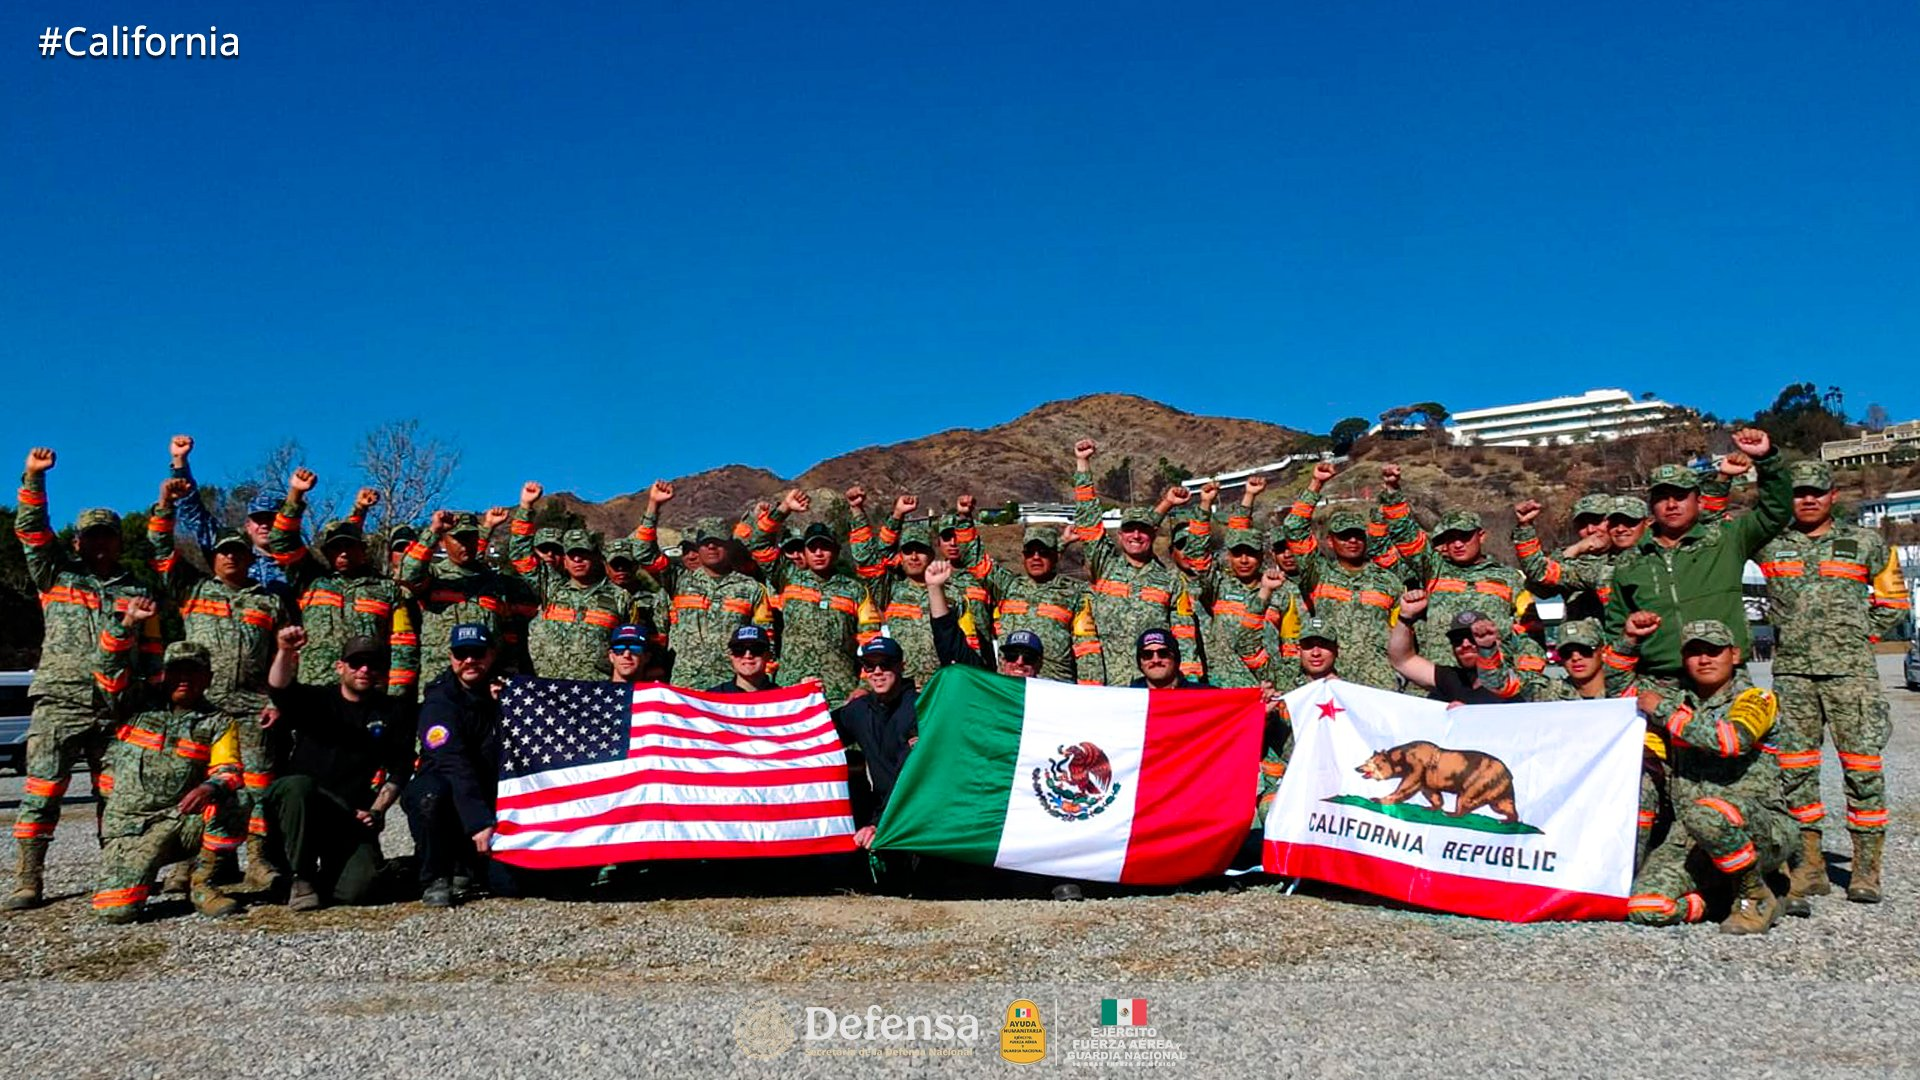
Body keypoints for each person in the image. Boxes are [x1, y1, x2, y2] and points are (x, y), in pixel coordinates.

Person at [7, 447, 169, 910]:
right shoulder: (55, 573)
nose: (99, 545)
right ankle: (28, 878)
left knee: (117, 798)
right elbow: (31, 532)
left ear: (119, 541)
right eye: (90, 537)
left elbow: (152, 650)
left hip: (118, 705)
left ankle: (115, 872)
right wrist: (35, 479)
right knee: (42, 793)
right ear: (77, 541)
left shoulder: (137, 590)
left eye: (108, 537)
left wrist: (152, 692)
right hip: (60, 701)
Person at [1758, 460, 1912, 905]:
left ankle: (1866, 871)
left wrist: (1859, 635)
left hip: (1853, 676)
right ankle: (1809, 868)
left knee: (1863, 771)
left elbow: (1894, 600)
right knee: (1795, 772)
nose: (1807, 499)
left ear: (1832, 497)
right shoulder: (1771, 544)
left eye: (1816, 492)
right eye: (1799, 492)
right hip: (1792, 676)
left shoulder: (1866, 542)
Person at [151, 485, 296, 888]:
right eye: (224, 551)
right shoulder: (192, 589)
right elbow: (161, 547)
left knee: (257, 786)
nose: (232, 556)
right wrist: (165, 504)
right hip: (203, 707)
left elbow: (284, 656)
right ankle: (190, 862)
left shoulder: (269, 601)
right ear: (213, 558)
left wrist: (278, 700)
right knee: (196, 784)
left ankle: (260, 861)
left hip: (252, 707)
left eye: (239, 551)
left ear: (251, 557)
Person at [1618, 620, 1796, 935]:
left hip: (1760, 829)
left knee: (1708, 813)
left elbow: (1732, 740)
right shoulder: (1676, 698)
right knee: (1647, 908)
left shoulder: (1757, 699)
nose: (1704, 660)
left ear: (1735, 655)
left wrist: (1668, 714)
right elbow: (1617, 686)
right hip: (1690, 837)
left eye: (1714, 651)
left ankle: (1753, 894)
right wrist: (1629, 640)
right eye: (1695, 652)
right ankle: (1723, 899)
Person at [90, 601, 243, 923]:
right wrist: (127, 624)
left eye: (194, 671)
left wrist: (209, 786)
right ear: (164, 673)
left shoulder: (218, 721)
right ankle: (136, 878)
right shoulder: (135, 703)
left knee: (236, 800)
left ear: (208, 677)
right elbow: (108, 672)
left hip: (177, 822)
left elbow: (228, 770)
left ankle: (202, 884)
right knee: (117, 913)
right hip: (129, 828)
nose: (184, 678)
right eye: (177, 670)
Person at [1602, 427, 1791, 681]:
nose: (1671, 505)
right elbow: (1616, 629)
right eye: (1662, 498)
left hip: (1725, 680)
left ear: (1699, 502)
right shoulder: (1629, 562)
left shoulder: (1727, 538)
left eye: (1680, 496)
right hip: (1659, 684)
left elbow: (1775, 511)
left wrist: (1766, 459)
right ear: (1651, 507)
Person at [264, 628, 412, 910]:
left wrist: (377, 811)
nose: (364, 670)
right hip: (302, 807)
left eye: (374, 664)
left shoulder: (392, 711)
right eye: (356, 663)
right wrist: (284, 650)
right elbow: (279, 688)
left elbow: (400, 768)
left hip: (349, 814)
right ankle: (301, 877)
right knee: (298, 786)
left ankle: (323, 877)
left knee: (359, 891)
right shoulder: (316, 700)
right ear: (340, 667)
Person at [266, 468, 414, 702]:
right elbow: (281, 541)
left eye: (350, 546)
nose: (343, 553)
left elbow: (402, 645)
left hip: (370, 696)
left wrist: (396, 698)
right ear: (326, 552)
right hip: (315, 692)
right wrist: (295, 494)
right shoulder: (310, 580)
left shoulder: (387, 590)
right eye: (336, 547)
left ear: (363, 551)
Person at [1069, 440, 1203, 684]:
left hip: (1156, 691)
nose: (1136, 536)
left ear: (1153, 534)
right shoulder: (1105, 566)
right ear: (1120, 536)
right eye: (1129, 530)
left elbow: (1184, 636)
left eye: (1142, 530)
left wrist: (1189, 689)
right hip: (1112, 689)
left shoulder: (1170, 580)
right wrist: (1083, 463)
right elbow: (1088, 518)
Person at [1276, 462, 1413, 690]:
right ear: (1330, 541)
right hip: (1331, 684)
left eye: (1357, 536)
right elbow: (1294, 526)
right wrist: (1316, 483)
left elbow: (1406, 636)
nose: (1352, 541)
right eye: (1344, 536)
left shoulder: (1388, 581)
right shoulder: (1318, 573)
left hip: (1379, 684)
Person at [629, 481, 774, 691]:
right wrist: (654, 505)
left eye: (718, 542)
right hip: (686, 687)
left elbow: (766, 639)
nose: (712, 546)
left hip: (734, 687)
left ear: (729, 546)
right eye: (706, 543)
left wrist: (763, 685)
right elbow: (643, 552)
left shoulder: (750, 588)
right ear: (698, 548)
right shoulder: (679, 580)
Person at [403, 623, 508, 909]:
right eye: (462, 654)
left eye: (478, 653)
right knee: (429, 796)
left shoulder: (506, 689)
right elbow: (454, 763)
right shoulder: (439, 701)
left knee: (510, 884)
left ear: (491, 655)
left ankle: (467, 865)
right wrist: (479, 822)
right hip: (448, 788)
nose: (470, 660)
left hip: (488, 787)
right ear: (451, 657)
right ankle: (435, 875)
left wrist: (506, 705)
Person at [748, 490, 883, 707]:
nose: (819, 553)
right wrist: (784, 508)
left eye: (825, 547)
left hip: (841, 693)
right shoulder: (788, 577)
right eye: (813, 548)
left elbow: (872, 641)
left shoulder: (856, 590)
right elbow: (758, 544)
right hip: (791, 687)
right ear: (804, 552)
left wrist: (864, 686)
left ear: (836, 552)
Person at [505, 484, 633, 680]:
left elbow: (630, 649)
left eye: (583, 554)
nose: (577, 560)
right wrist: (526, 506)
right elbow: (520, 554)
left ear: (597, 557)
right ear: (564, 560)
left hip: (597, 692)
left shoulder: (621, 598)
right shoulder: (551, 588)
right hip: (549, 691)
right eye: (572, 555)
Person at [398, 508, 533, 685]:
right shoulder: (434, 576)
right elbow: (407, 574)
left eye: (470, 538)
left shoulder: (494, 582)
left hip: (487, 684)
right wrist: (433, 531)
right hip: (440, 684)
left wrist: (507, 675)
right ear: (444, 543)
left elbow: (508, 635)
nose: (465, 544)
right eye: (458, 539)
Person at [957, 521, 1104, 685]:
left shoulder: (1074, 593)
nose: (1036, 557)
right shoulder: (1007, 586)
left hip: (1052, 689)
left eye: (1043, 552)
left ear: (1056, 556)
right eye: (1029, 552)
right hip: (1009, 687)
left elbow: (1087, 649)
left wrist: (1090, 695)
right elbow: (973, 559)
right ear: (1023, 556)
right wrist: (963, 517)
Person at [165, 434, 294, 599]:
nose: (264, 525)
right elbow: (194, 512)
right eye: (258, 520)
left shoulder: (298, 564)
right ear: (248, 525)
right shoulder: (232, 552)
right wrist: (179, 461)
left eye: (270, 520)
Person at [831, 638, 918, 850]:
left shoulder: (920, 707)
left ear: (901, 666)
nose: (877, 672)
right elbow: (818, 734)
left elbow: (912, 776)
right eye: (870, 666)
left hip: (914, 810)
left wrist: (879, 823)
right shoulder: (859, 710)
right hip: (879, 811)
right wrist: (807, 698)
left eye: (885, 664)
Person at [1387, 594, 1512, 705]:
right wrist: (1405, 617)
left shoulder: (1515, 681)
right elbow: (1402, 660)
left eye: (1474, 637)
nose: (1465, 644)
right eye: (1457, 639)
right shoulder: (1452, 679)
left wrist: (1470, 714)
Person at [924, 560, 1042, 677]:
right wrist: (935, 588)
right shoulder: (986, 685)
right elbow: (947, 635)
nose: (1019, 662)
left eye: (1028, 658)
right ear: (1003, 661)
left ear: (1038, 664)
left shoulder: (1049, 693)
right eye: (1012, 656)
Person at [706, 625, 777, 692]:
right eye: (739, 649)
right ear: (731, 656)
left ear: (768, 656)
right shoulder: (711, 699)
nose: (748, 655)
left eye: (756, 649)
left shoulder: (783, 701)